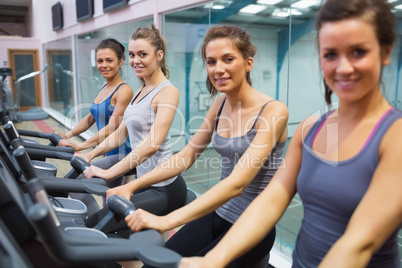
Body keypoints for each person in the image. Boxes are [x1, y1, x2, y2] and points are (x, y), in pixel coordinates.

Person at [178, 0, 402, 267]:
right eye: (330, 54)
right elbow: (270, 201)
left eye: (358, 52)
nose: (343, 67)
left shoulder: (394, 135)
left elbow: (359, 243)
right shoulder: (310, 128)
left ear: (386, 51)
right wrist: (215, 258)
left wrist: (171, 219)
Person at [118, 25, 289, 267]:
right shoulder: (219, 105)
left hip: (252, 226)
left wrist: (168, 221)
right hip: (218, 213)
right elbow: (186, 156)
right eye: (211, 61)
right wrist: (132, 185)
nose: (218, 69)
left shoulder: (273, 111)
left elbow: (237, 183)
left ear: (248, 63)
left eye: (228, 59)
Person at [82, 24, 187, 226]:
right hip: (143, 181)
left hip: (163, 187)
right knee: (109, 225)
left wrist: (108, 173)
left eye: (142, 54)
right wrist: (90, 154)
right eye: (131, 55)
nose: (135, 61)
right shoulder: (141, 90)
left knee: (96, 223)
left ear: (159, 55)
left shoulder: (167, 92)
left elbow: (151, 145)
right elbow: (120, 134)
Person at [57, 38, 133, 155]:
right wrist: (67, 135)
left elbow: (111, 128)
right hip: (105, 150)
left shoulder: (124, 90)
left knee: (84, 172)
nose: (104, 65)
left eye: (109, 60)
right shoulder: (104, 86)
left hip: (121, 153)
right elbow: (90, 118)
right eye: (100, 61)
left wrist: (79, 146)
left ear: (121, 61)